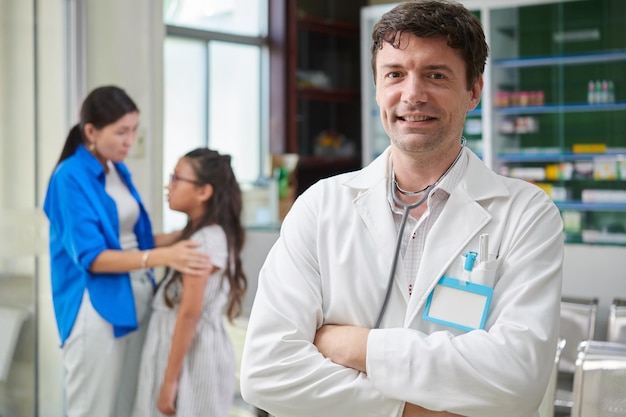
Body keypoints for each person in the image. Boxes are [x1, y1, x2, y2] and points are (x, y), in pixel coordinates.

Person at [240, 1, 564, 417]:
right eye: (395, 74)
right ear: (377, 87)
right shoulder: (320, 206)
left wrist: (354, 345)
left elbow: (517, 378)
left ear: (474, 91)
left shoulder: (526, 213)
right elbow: (266, 370)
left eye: (436, 75)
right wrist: (418, 411)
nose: (412, 95)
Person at [43, 85, 212, 417]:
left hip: (136, 296)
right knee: (92, 409)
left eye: (134, 130)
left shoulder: (116, 170)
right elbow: (92, 257)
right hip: (96, 305)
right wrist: (165, 256)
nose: (129, 141)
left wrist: (190, 233)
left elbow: (138, 239)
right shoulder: (69, 178)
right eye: (121, 132)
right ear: (91, 131)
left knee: (128, 406)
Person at [133, 148, 247, 417]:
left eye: (176, 178)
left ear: (203, 192)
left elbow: (189, 315)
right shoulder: (191, 234)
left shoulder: (206, 240)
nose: (168, 185)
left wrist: (169, 382)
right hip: (184, 355)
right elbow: (139, 242)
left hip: (194, 361)